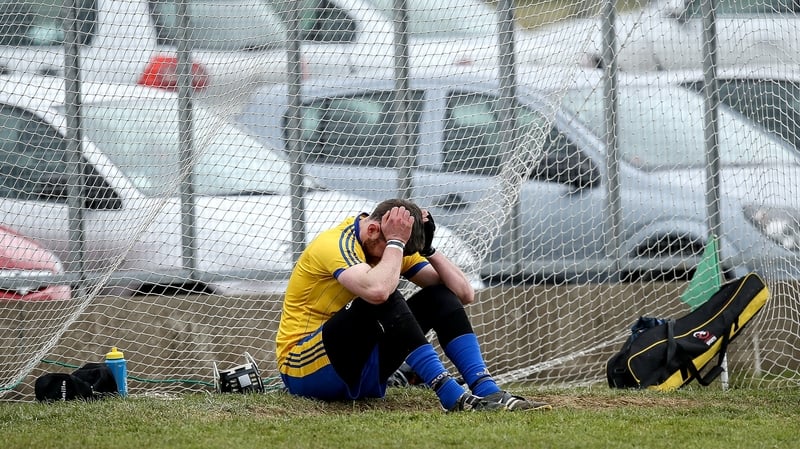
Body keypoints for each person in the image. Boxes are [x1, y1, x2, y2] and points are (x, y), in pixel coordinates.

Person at [275, 198, 551, 411]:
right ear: (372, 230)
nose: (399, 254)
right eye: (395, 245)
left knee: (439, 295)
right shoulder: (335, 244)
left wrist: (429, 250)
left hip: (358, 367)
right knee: (382, 294)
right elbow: (379, 292)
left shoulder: (390, 245)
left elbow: (464, 293)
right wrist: (395, 242)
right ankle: (450, 395)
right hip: (304, 367)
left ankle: (487, 388)